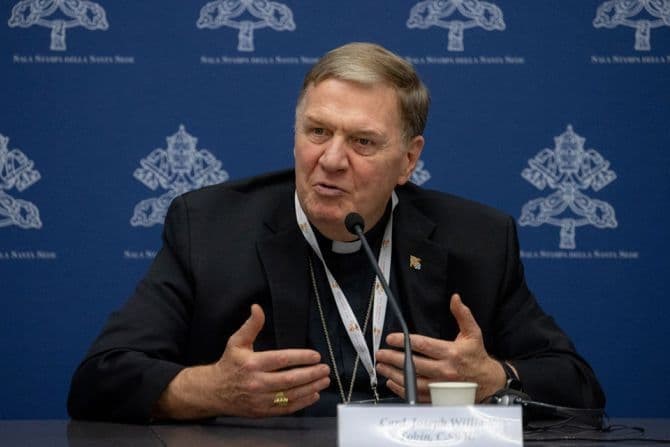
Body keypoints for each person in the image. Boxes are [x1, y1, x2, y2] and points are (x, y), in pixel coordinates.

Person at [67, 42, 605, 423]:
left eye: (363, 142)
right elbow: (98, 381)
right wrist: (212, 389)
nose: (330, 159)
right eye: (317, 131)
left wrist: (494, 377)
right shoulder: (208, 227)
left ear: (409, 160)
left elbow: (577, 384)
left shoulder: (477, 239)